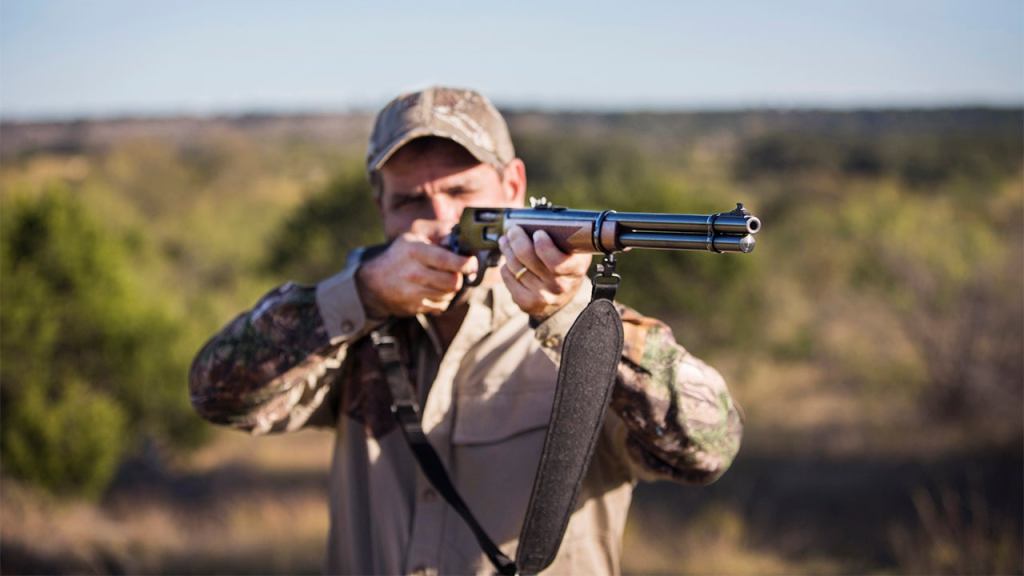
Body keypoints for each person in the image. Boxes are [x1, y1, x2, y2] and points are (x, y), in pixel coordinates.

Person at [189, 86, 743, 575]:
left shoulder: (590, 335)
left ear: (514, 185)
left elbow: (709, 448)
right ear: (380, 205)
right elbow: (217, 394)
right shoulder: (349, 329)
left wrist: (568, 320)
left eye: (460, 193)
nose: (438, 218)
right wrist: (361, 295)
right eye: (409, 200)